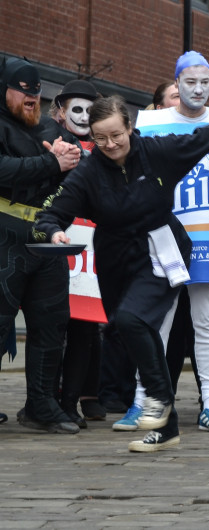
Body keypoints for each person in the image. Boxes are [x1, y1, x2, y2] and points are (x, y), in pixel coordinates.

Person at [33, 95, 209, 451]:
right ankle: (166, 424)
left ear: (130, 128)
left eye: (116, 135)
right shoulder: (89, 173)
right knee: (129, 323)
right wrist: (53, 231)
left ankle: (157, 400)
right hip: (117, 260)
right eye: (101, 139)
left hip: (161, 251)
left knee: (135, 319)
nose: (110, 145)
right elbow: (53, 213)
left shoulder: (159, 152)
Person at [128, 51, 209, 431]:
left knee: (206, 323)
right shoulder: (151, 125)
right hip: (163, 239)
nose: (198, 90)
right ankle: (142, 401)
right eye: (190, 82)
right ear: (177, 82)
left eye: (204, 82)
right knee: (156, 322)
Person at [0, 57, 81, 433]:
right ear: (5, 90)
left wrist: (71, 159)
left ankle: (41, 405)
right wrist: (51, 163)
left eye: (36, 92)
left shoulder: (50, 126)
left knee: (51, 325)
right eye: (23, 91)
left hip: (46, 237)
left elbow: (66, 175)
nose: (31, 97)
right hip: (4, 235)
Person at [50, 79, 107, 428]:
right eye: (77, 109)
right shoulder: (49, 142)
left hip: (94, 247)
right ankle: (48, 399)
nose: (84, 116)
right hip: (59, 239)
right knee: (53, 325)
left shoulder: (109, 149)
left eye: (90, 110)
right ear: (60, 111)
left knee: (86, 327)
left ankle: (71, 401)